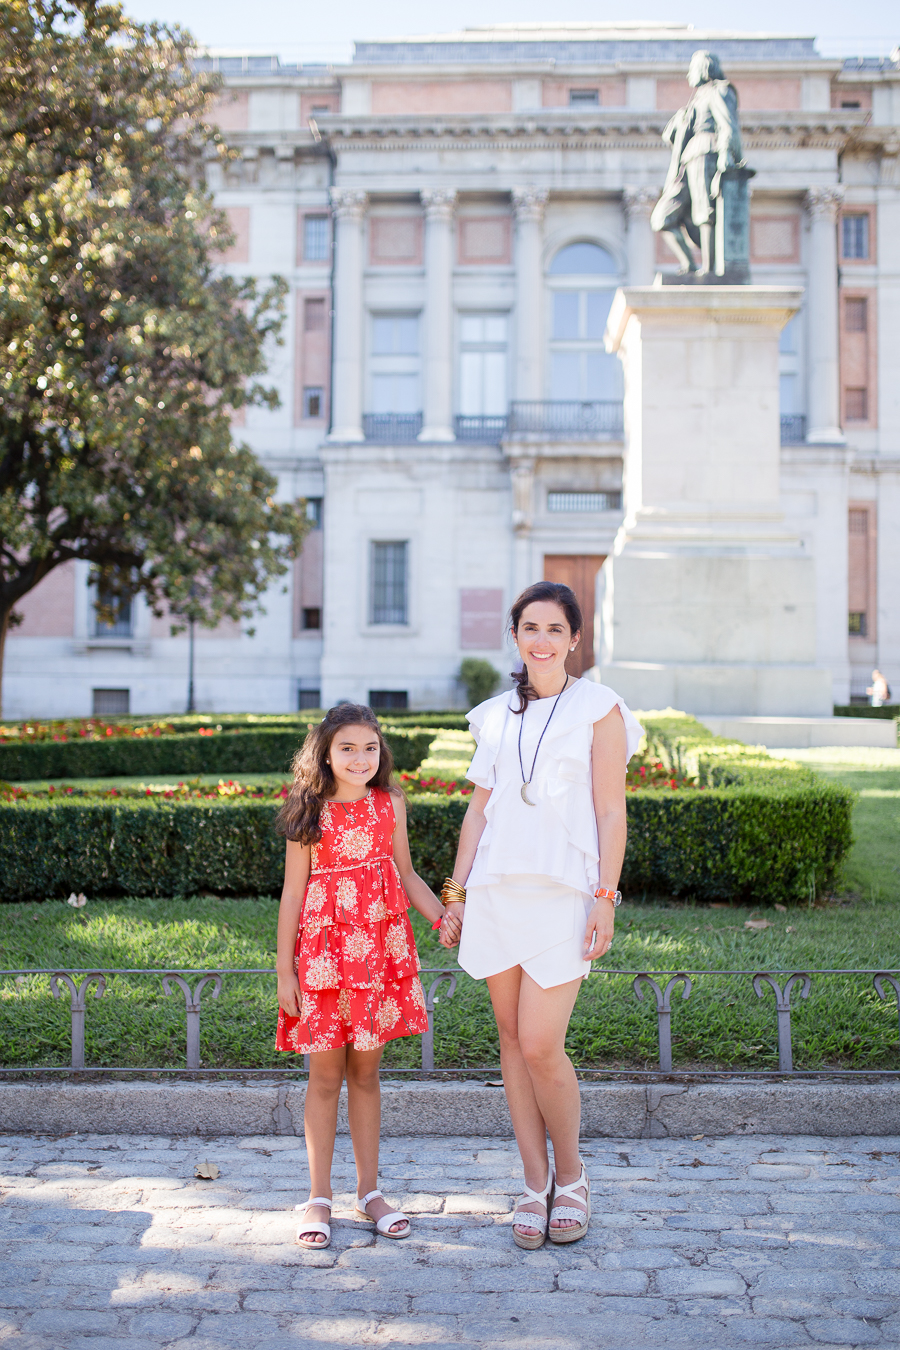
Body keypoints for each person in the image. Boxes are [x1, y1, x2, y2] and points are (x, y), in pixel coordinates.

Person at [437, 581, 642, 1249]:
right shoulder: (493, 715)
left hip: (563, 893)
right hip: (496, 891)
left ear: (575, 638)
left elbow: (612, 811)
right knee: (509, 1042)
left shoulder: (600, 708)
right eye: (531, 627)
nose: (543, 640)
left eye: (556, 628)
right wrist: (456, 893)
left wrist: (606, 896)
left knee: (540, 1044)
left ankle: (573, 1177)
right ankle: (533, 1181)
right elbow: (478, 813)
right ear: (516, 635)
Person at [274, 703, 456, 1249]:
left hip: (377, 955)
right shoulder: (309, 809)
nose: (360, 758)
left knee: (367, 1075)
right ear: (325, 754)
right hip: (326, 958)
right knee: (325, 1076)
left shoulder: (390, 804)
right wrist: (286, 970)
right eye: (348, 748)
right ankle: (318, 1196)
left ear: (382, 753)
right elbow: (291, 893)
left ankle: (369, 1190)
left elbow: (406, 873)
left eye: (370, 748)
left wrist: (443, 916)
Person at [650, 49, 744, 275]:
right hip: (688, 159)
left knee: (704, 208)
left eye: (692, 69)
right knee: (661, 217)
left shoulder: (719, 91)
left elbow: (728, 125)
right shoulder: (696, 100)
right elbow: (670, 134)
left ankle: (710, 270)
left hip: (707, 150)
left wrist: (725, 155)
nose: (688, 75)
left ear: (704, 68)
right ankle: (690, 265)